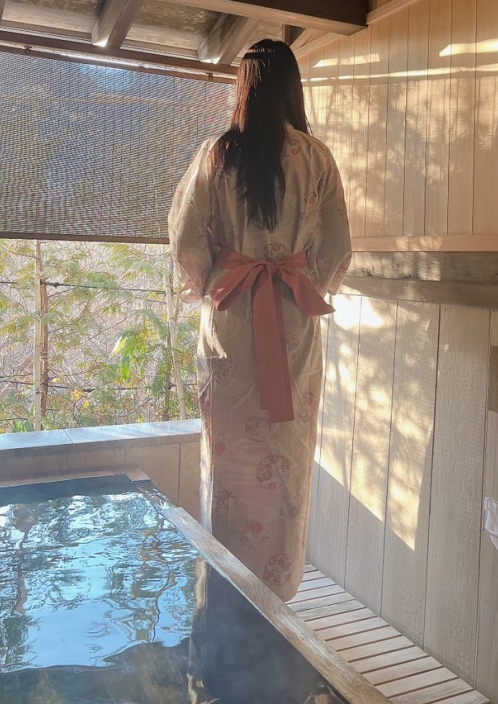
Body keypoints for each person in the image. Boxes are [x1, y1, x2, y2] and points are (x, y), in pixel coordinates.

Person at [168, 39, 351, 602]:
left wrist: (217, 283)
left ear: (243, 88)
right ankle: (279, 590)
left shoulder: (216, 155)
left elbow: (185, 240)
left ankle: (226, 590)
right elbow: (338, 247)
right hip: (293, 324)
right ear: (292, 88)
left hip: (230, 322)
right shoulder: (317, 158)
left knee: (227, 462)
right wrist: (303, 282)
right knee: (286, 459)